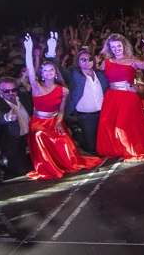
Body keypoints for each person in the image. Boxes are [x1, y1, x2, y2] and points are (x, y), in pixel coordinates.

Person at [23, 34, 102, 180]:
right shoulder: (36, 87)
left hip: (55, 121)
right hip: (38, 122)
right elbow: (30, 69)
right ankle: (47, 167)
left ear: (55, 73)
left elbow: (61, 110)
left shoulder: (63, 90)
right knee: (41, 135)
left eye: (51, 70)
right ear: (41, 73)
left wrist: (59, 121)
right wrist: (28, 50)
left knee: (64, 143)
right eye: (45, 70)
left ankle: (62, 162)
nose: (48, 73)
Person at [96, 33, 144, 161]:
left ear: (124, 46)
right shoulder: (105, 62)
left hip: (127, 97)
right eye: (113, 47)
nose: (116, 49)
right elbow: (99, 78)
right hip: (112, 97)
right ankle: (116, 149)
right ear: (109, 48)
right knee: (110, 125)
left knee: (125, 124)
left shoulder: (132, 61)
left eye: (118, 46)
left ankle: (127, 148)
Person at [45, 33, 109, 153]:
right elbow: (57, 67)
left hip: (104, 115)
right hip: (86, 117)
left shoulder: (101, 75)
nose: (87, 62)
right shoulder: (74, 74)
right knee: (92, 148)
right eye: (83, 60)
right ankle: (76, 134)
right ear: (78, 62)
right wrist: (52, 50)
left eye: (89, 59)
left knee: (105, 144)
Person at [0, 76, 34, 176]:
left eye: (14, 90)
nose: (11, 93)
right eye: (6, 91)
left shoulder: (24, 97)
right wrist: (7, 118)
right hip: (12, 142)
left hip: (30, 137)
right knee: (21, 170)